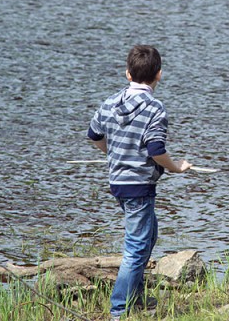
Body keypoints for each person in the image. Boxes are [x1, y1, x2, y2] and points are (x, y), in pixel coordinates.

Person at [87, 45, 191, 318]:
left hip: (118, 183)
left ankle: (137, 297)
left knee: (149, 235)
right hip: (139, 187)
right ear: (159, 74)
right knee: (135, 248)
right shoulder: (155, 108)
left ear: (127, 74)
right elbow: (156, 151)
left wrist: (114, 153)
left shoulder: (110, 102)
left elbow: (94, 134)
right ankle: (119, 311)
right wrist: (178, 168)